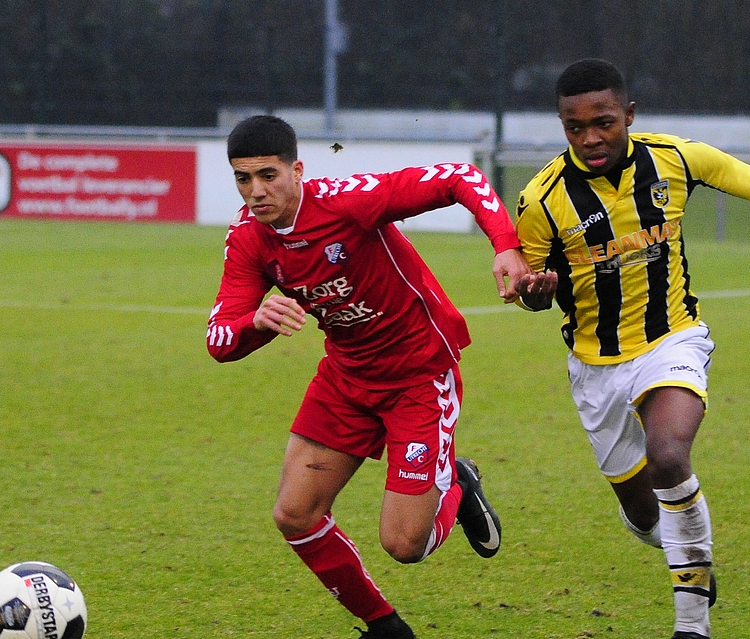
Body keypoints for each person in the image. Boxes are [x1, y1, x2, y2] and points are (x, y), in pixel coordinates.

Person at [509, 59, 750, 639]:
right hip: (595, 366)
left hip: (672, 339)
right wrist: (537, 292)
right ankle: (691, 555)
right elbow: (536, 292)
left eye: (604, 122)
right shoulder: (541, 199)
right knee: (644, 514)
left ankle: (692, 624)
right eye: (575, 127)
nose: (591, 138)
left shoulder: (674, 159)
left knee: (669, 454)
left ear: (629, 116)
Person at [206, 115, 531, 638]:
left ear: (297, 169)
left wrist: (505, 245)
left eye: (268, 175)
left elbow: (458, 177)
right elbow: (219, 339)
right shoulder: (248, 239)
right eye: (243, 179)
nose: (255, 191)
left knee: (405, 545)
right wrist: (256, 323)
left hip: (418, 374)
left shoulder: (347, 201)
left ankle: (459, 487)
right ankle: (384, 627)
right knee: (295, 514)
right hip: (347, 378)